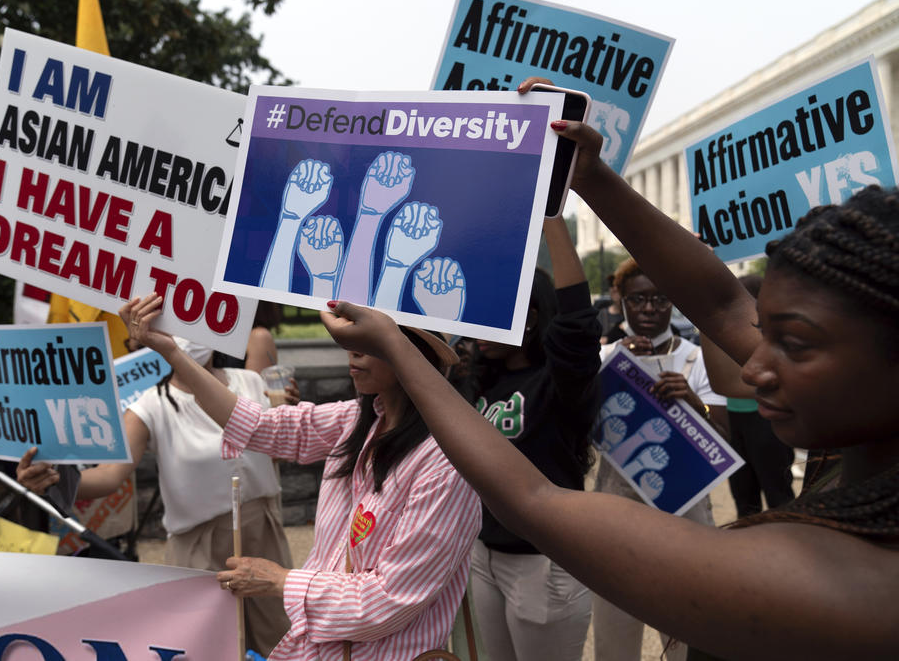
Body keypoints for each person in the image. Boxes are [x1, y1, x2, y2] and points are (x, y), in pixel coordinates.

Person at [317, 78, 899, 659]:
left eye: (793, 343)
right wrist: (591, 177)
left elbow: (535, 501)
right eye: (763, 333)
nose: (752, 369)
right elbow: (722, 302)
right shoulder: (859, 447)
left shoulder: (844, 586)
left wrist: (397, 349)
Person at [122, 293, 481, 661]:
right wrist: (172, 352)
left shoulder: (445, 464)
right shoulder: (356, 420)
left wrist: (280, 580)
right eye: (349, 339)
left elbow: (387, 600)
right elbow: (259, 425)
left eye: (368, 341)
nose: (352, 352)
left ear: (413, 353)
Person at [17, 336, 294, 657]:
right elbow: (109, 476)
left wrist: (289, 414)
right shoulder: (151, 404)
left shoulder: (251, 381)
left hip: (262, 530)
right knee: (205, 646)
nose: (188, 337)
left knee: (280, 638)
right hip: (198, 546)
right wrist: (53, 479)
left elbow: (278, 451)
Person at [449, 216, 599, 661]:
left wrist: (551, 216)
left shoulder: (558, 382)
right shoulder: (475, 380)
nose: (478, 327)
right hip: (484, 555)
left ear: (530, 318)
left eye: (492, 312)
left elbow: (577, 320)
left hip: (544, 563)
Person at [592, 257, 729, 661]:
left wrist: (690, 400)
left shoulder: (697, 359)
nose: (649, 309)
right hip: (618, 509)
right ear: (622, 300)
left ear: (672, 303)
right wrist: (614, 371)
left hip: (685, 506)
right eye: (638, 300)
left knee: (686, 628)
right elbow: (581, 427)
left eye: (659, 299)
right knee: (614, 631)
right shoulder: (603, 358)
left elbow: (723, 436)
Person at [703, 275, 796, 518]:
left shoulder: (772, 340)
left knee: (779, 498)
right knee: (744, 501)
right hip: (737, 421)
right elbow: (724, 382)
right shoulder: (727, 334)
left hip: (765, 422)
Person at [596, 273, 624, 344]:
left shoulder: (632, 317)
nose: (615, 288)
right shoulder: (598, 314)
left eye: (619, 285)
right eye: (611, 284)